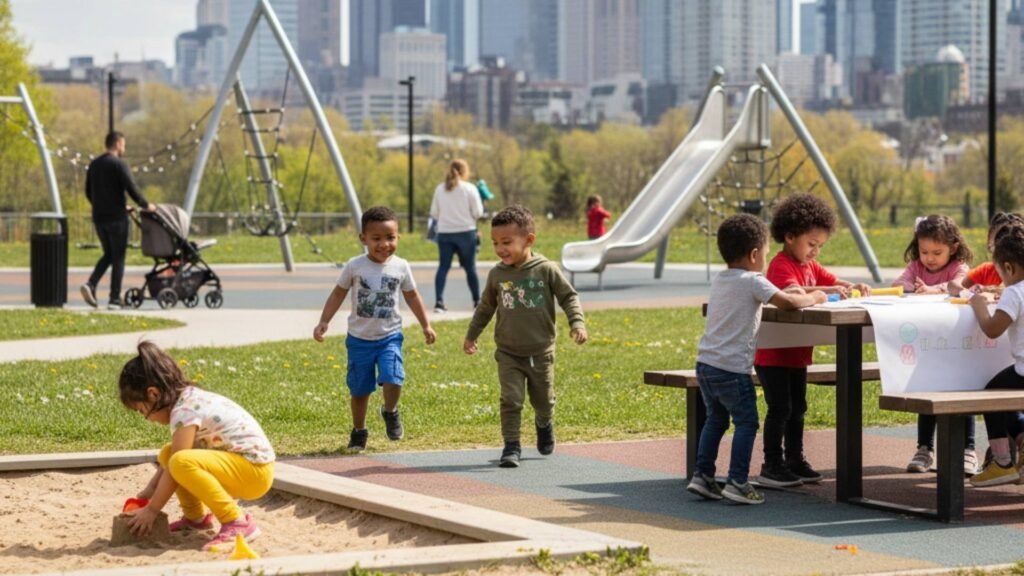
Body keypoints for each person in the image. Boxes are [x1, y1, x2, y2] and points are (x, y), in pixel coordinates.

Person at [688, 214, 826, 505]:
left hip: (706, 365)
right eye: (764, 253)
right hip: (732, 370)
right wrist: (814, 297)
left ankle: (703, 476)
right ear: (754, 255)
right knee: (747, 423)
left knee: (715, 420)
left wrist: (786, 292)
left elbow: (774, 296)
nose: (765, 259)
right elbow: (788, 304)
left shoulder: (722, 279)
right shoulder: (753, 280)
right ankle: (738, 482)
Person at [752, 194, 871, 488]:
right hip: (774, 354)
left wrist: (851, 285)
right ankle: (771, 464)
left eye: (820, 246)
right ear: (790, 236)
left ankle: (795, 459)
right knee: (780, 408)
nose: (815, 252)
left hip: (797, 354)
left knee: (798, 408)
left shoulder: (810, 265)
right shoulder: (781, 265)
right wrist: (825, 292)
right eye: (811, 244)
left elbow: (833, 281)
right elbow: (794, 294)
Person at [463, 205, 587, 468]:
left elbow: (568, 297)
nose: (500, 249)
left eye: (506, 242)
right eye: (495, 243)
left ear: (529, 240)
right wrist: (472, 335)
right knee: (511, 399)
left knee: (543, 401)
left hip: (541, 352)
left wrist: (577, 322)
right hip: (508, 352)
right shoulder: (497, 274)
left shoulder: (546, 269)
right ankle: (511, 446)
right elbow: (485, 307)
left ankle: (544, 422)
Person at [120, 341, 274, 551]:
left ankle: (237, 522)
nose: (147, 418)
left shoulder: (184, 411)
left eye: (142, 410)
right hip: (247, 467)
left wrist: (152, 510)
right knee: (169, 453)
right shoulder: (188, 398)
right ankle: (196, 518)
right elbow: (171, 461)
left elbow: (177, 466)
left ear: (153, 394)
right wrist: (148, 492)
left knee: (180, 461)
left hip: (254, 473)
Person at [314, 206, 436, 452]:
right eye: (376, 238)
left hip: (390, 336)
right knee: (360, 390)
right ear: (363, 239)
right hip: (359, 339)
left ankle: (390, 411)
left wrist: (426, 325)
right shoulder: (354, 266)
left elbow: (412, 296)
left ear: (398, 237)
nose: (384, 244)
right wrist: (324, 320)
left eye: (390, 238)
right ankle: (359, 431)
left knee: (394, 377)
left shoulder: (401, 266)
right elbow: (338, 293)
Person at [892, 214, 977, 475]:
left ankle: (968, 450)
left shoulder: (959, 267)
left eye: (937, 253)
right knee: (928, 391)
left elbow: (960, 285)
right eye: (924, 251)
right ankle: (924, 448)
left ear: (953, 247)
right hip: (926, 347)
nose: (929, 258)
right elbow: (898, 284)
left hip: (956, 345)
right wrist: (910, 285)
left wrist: (933, 289)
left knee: (962, 393)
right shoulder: (916, 267)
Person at [968, 225, 1024, 487]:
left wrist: (979, 307)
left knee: (991, 393)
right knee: (1004, 390)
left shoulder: (1015, 292)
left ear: (1008, 268)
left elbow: (992, 330)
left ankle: (1001, 462)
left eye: (1000, 274)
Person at [81, 131, 155, 310]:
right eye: (123, 144)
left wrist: (103, 206)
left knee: (109, 254)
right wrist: (146, 205)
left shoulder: (94, 165)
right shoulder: (119, 164)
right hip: (117, 219)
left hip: (99, 218)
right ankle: (114, 299)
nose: (124, 148)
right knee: (119, 257)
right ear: (118, 143)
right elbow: (131, 187)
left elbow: (88, 192)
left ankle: (91, 284)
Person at [430, 159, 484, 312]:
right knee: (470, 267)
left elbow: (434, 212)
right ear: (464, 171)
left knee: (443, 267)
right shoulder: (470, 188)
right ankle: (476, 301)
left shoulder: (440, 189)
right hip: (466, 232)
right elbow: (478, 212)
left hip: (445, 233)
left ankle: (439, 302)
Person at [948, 212, 1024, 299]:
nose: (1002, 248)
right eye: (996, 244)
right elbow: (955, 286)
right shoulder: (987, 271)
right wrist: (972, 293)